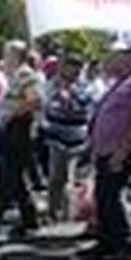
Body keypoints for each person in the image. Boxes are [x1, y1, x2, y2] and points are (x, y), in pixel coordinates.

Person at [79, 31, 131, 260]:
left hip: (120, 149)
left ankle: (124, 243)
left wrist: (123, 150)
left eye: (119, 54)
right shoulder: (123, 79)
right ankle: (107, 241)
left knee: (112, 196)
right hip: (106, 148)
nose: (114, 57)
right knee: (103, 196)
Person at [0, 39, 41, 239]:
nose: (5, 57)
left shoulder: (25, 74)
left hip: (19, 130)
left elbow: (34, 101)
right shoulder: (14, 75)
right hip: (13, 129)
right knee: (11, 178)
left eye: (8, 53)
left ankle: (29, 220)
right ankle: (25, 220)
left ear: (16, 55)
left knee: (13, 177)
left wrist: (11, 114)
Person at [41, 53, 92, 223]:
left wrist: (71, 98)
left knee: (73, 177)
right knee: (56, 175)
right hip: (56, 136)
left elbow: (85, 106)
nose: (71, 71)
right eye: (68, 66)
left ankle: (71, 211)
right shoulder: (52, 84)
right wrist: (58, 96)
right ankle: (52, 211)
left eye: (75, 67)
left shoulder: (84, 85)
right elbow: (46, 105)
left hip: (78, 138)